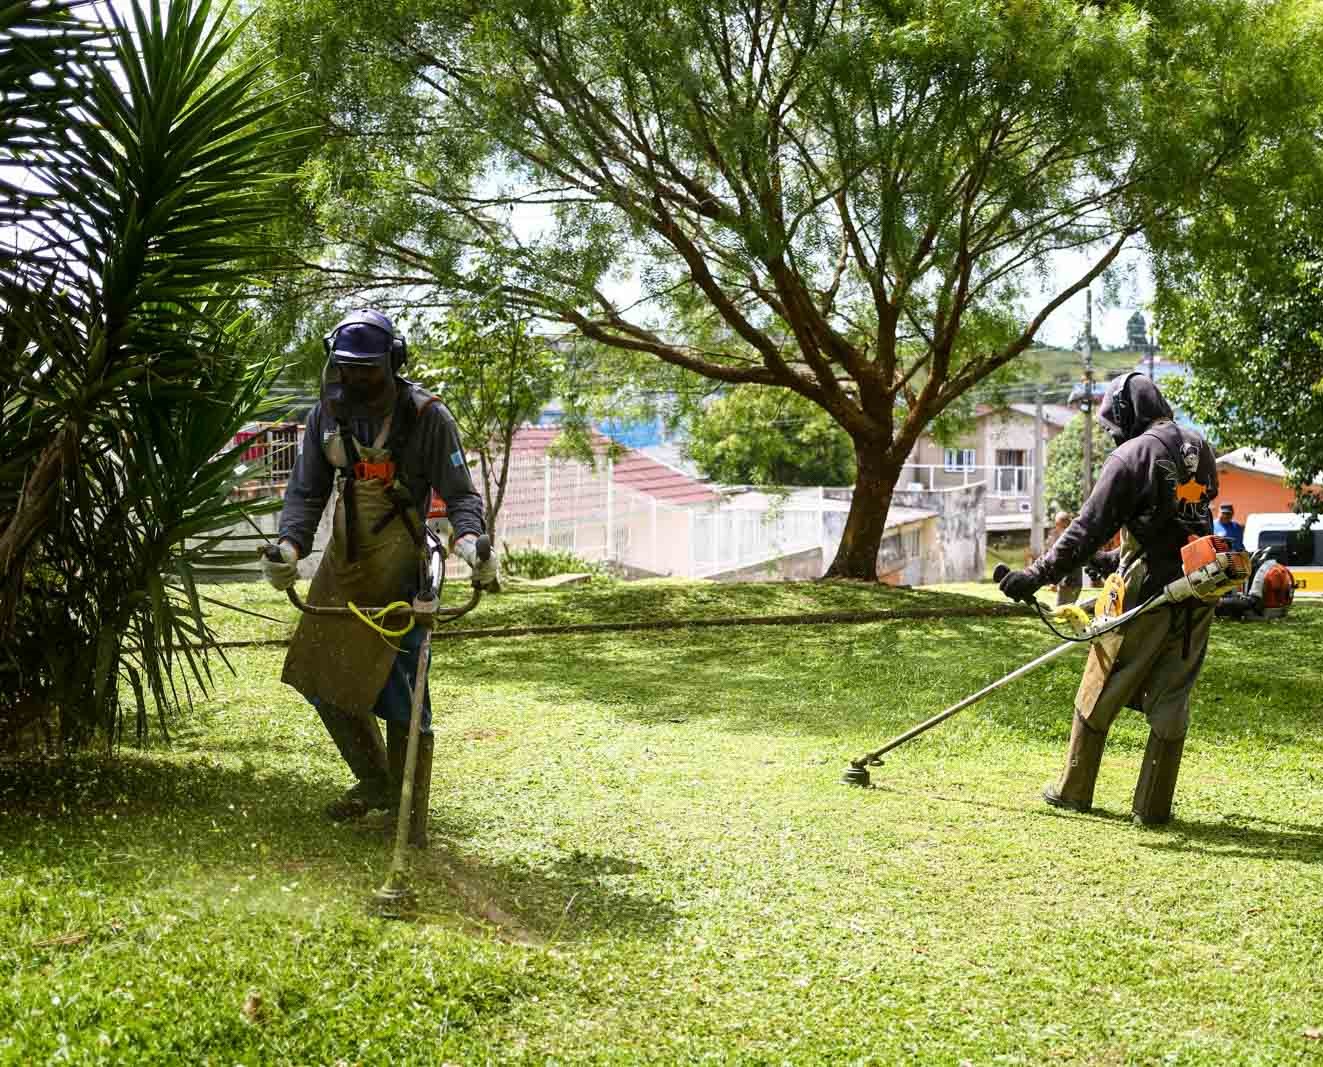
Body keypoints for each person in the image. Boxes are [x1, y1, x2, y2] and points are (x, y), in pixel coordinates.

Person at [260, 309, 498, 846]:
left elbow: (460, 495)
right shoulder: (326, 416)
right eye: (347, 367)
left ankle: (411, 812)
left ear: (393, 362)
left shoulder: (427, 417)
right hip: (346, 560)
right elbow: (305, 493)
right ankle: (376, 781)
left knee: (403, 693)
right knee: (319, 673)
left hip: (404, 564)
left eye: (368, 368)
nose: (356, 377)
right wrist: (289, 548)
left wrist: (470, 543)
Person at [997, 372, 1218, 826]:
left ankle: (1072, 790)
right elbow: (1179, 525)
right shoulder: (1200, 447)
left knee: (1100, 682)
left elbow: (1085, 528)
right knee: (1172, 693)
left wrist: (1035, 576)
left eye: (1113, 425)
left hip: (1145, 591)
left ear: (1126, 412)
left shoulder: (1131, 455)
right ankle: (1152, 807)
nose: (1113, 435)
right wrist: (1111, 558)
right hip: (1201, 585)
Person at [1046, 510, 1083, 606]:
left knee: (1061, 610)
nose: (1056, 527)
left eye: (1056, 524)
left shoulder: (1066, 539)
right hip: (1075, 582)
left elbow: (1062, 563)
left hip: (1068, 583)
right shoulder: (1076, 535)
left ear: (1060, 523)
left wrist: (1055, 582)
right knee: (1068, 609)